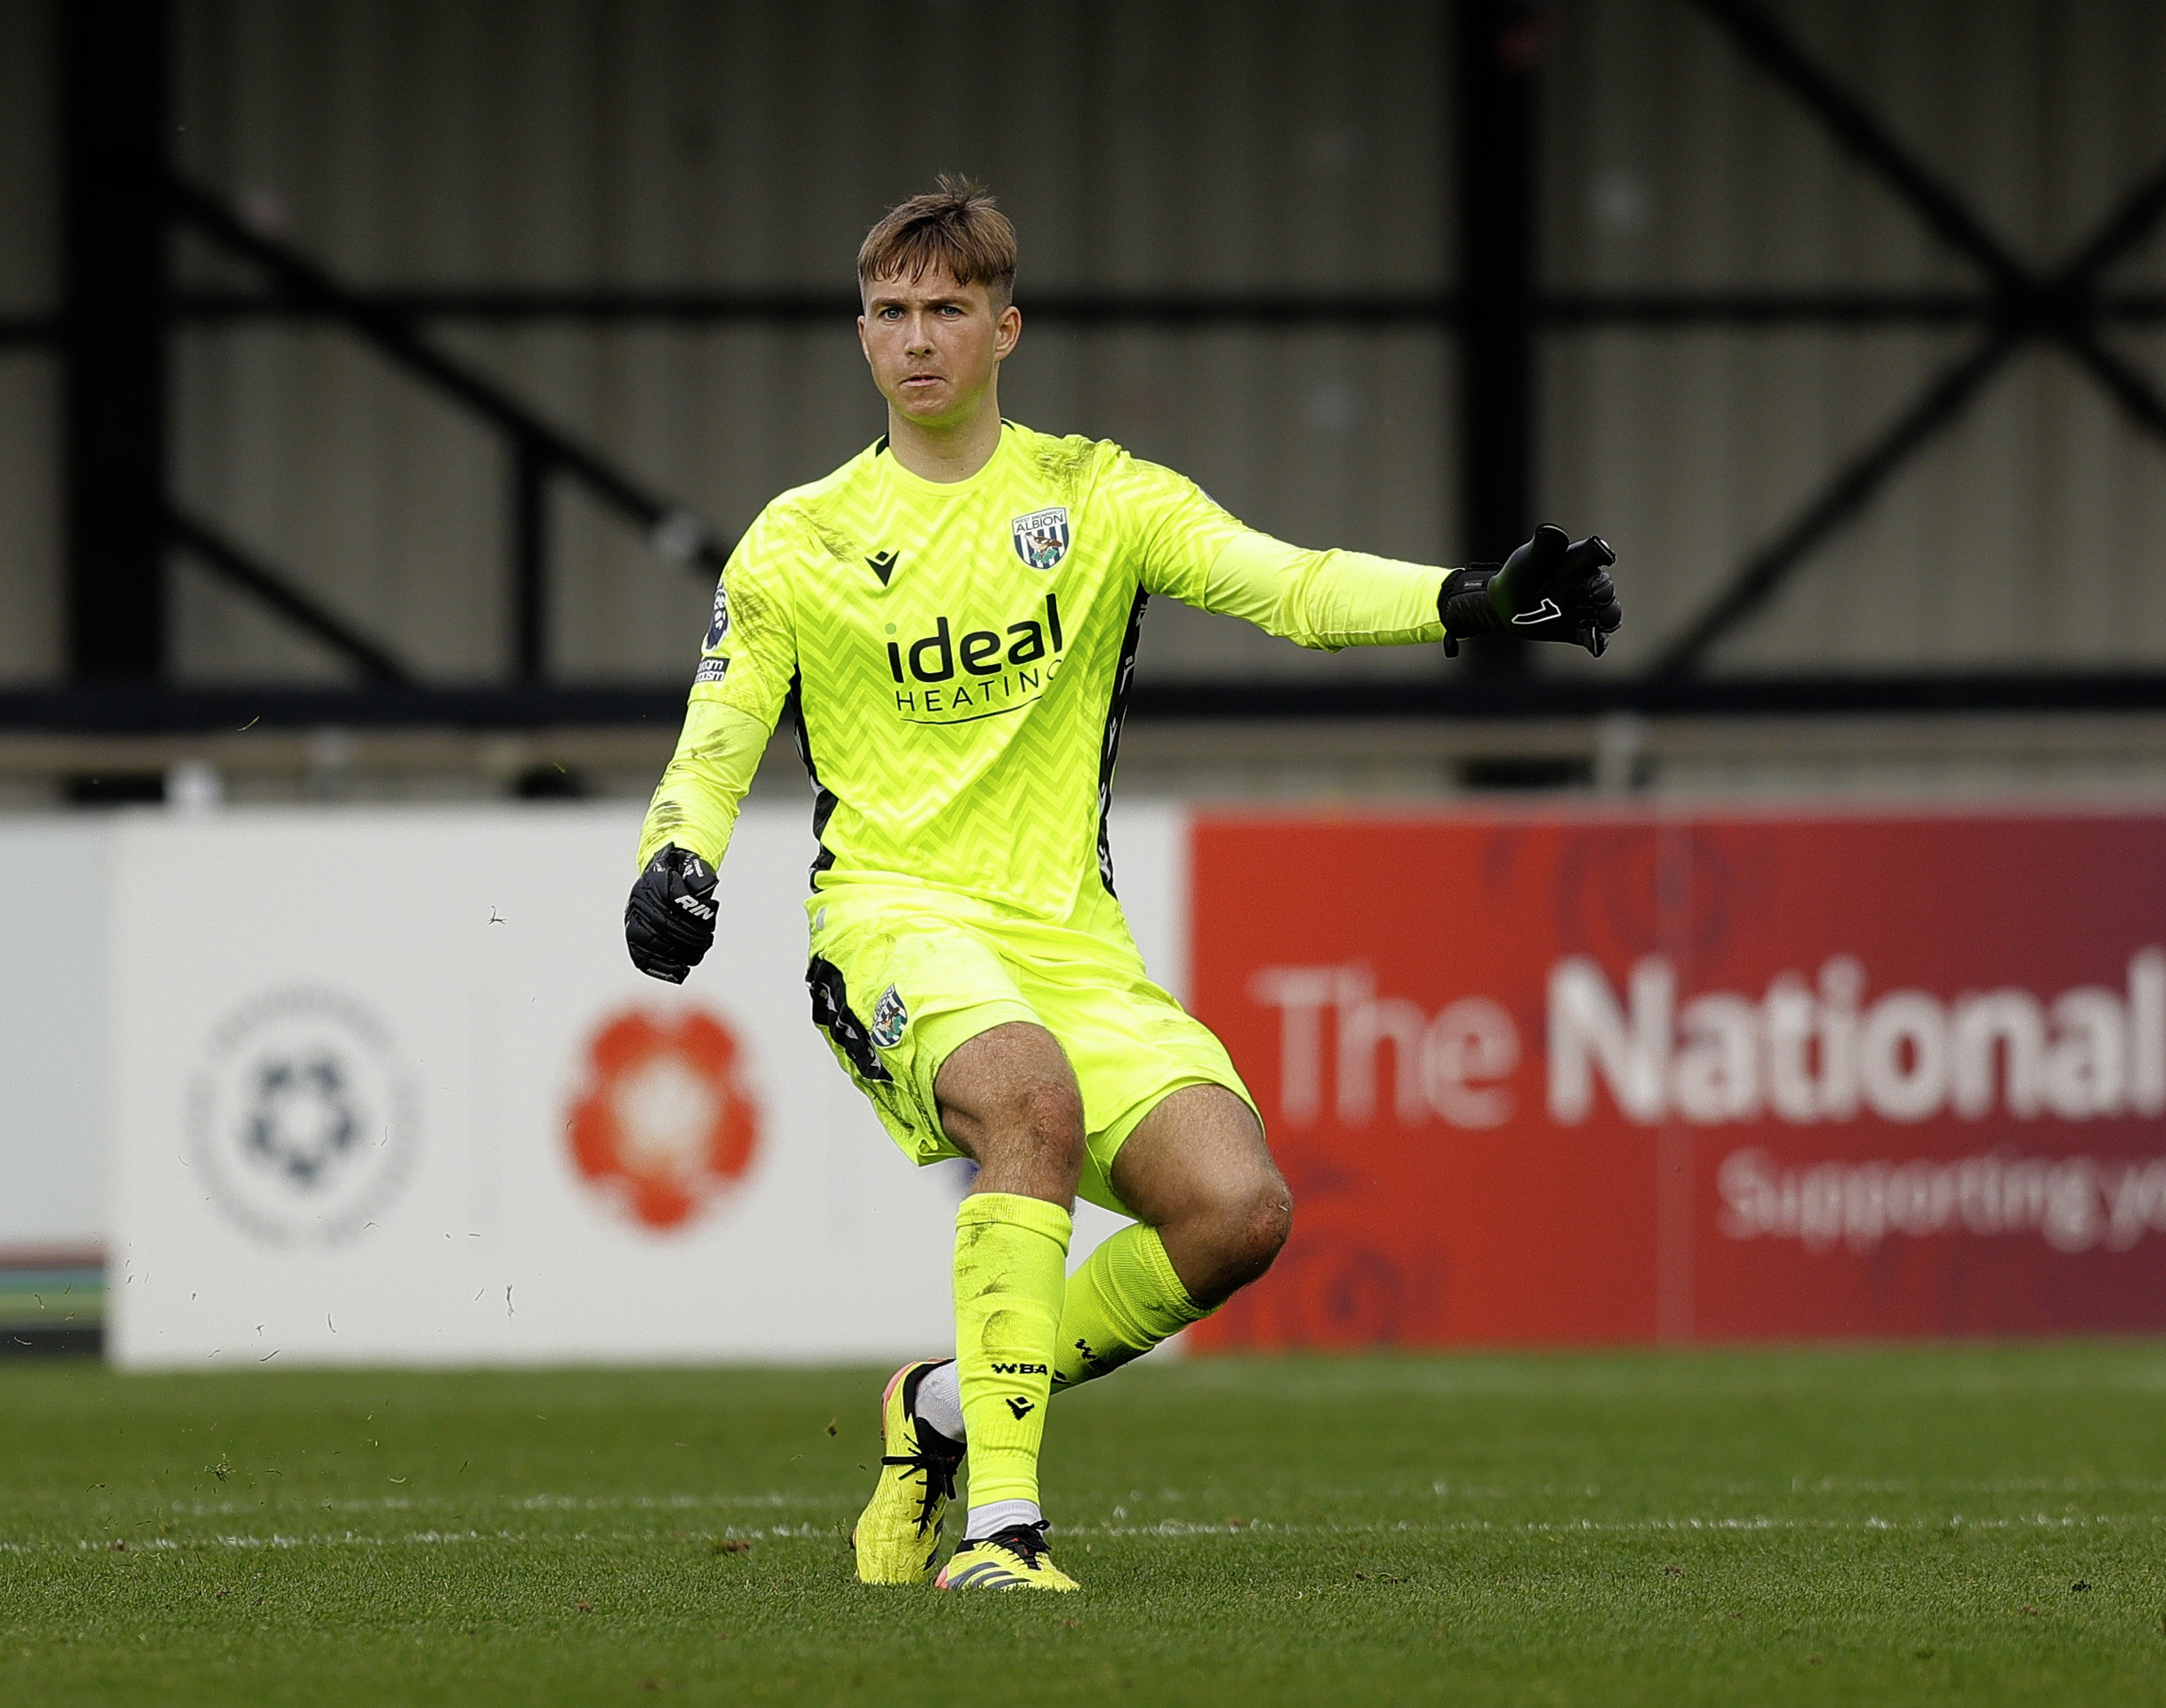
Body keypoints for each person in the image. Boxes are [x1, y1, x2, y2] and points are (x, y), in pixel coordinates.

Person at [623, 178, 1620, 1592]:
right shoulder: (801, 540)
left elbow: (1289, 584)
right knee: (1027, 1095)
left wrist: (1466, 597)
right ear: (860, 335)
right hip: (892, 923)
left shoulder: (1096, 497)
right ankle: (1004, 1535)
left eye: (948, 310)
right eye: (893, 313)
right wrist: (679, 856)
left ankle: (944, 1411)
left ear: (1005, 327)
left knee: (1238, 1212)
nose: (918, 339)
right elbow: (718, 733)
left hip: (1069, 942)